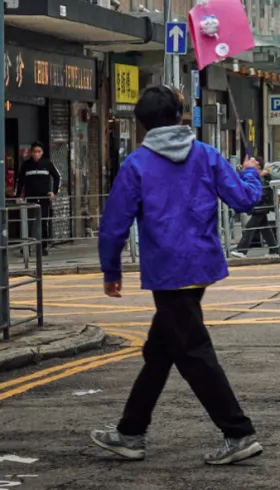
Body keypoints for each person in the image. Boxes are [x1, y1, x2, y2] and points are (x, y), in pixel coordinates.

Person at [91, 85, 266, 466]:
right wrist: (252, 174)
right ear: (180, 117)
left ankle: (238, 432)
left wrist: (111, 269)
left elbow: (114, 224)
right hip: (201, 264)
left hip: (166, 269)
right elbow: (244, 199)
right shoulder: (206, 154)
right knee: (160, 351)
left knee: (192, 352)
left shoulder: (136, 164)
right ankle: (130, 432)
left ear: (141, 125)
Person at [15, 142, 61, 254]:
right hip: (30, 198)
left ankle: (44, 247)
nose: (36, 154)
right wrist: (17, 196)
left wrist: (54, 192)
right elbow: (20, 181)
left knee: (44, 222)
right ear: (31, 152)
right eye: (34, 152)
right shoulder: (26, 165)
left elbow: (57, 177)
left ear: (42, 152)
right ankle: (27, 247)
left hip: (44, 198)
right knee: (28, 223)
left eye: (39, 152)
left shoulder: (47, 163)